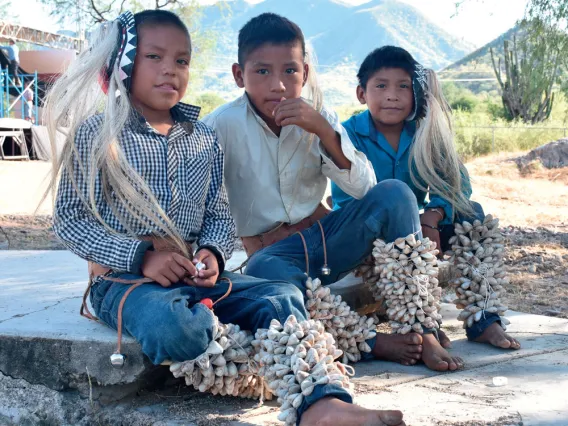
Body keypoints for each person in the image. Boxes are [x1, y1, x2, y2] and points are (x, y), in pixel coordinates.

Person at [46, 10, 405, 426]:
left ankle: (322, 403)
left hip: (195, 274)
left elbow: (217, 215)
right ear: (123, 63)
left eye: (181, 61)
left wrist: (213, 255)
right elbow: (70, 221)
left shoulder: (203, 138)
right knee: (177, 326)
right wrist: (142, 257)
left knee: (281, 297)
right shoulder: (97, 135)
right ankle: (268, 357)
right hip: (122, 280)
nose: (171, 71)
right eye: (155, 58)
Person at [203, 13, 464, 372]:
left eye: (290, 71)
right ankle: (370, 341)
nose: (278, 85)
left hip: (328, 240)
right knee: (266, 270)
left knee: (395, 193)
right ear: (238, 75)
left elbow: (364, 188)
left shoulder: (319, 116)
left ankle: (423, 327)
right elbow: (200, 202)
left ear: (305, 74)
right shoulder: (219, 126)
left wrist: (324, 131)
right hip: (274, 256)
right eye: (262, 72)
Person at [331, 46, 520, 350]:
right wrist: (408, 227)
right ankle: (424, 324)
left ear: (416, 94)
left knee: (472, 213)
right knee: (404, 246)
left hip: (419, 229)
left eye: (403, 86)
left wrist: (433, 216)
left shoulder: (424, 130)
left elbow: (457, 183)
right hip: (368, 236)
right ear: (361, 93)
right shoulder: (348, 134)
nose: (392, 95)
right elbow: (346, 199)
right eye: (381, 86)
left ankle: (484, 318)